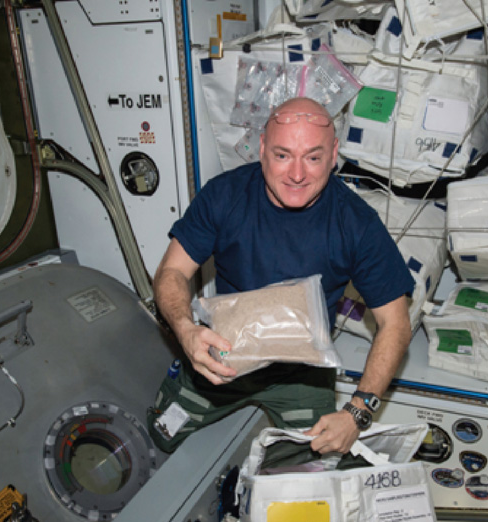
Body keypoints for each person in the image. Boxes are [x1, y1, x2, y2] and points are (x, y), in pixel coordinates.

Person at [148, 97, 414, 455]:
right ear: (262, 149)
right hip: (223, 357)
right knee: (161, 432)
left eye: (314, 157)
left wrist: (358, 412)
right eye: (282, 155)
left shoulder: (356, 224)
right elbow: (172, 271)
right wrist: (185, 330)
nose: (297, 174)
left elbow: (396, 324)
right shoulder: (224, 195)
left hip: (301, 372)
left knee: (311, 470)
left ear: (334, 154)